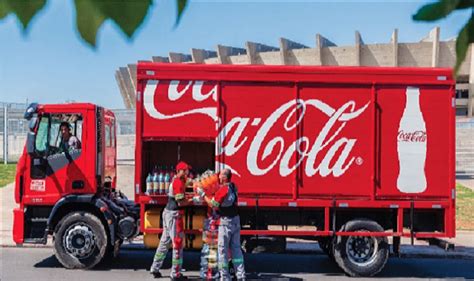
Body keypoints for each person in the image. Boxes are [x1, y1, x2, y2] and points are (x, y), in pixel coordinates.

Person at [198, 169, 246, 281]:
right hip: (235, 220)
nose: (218, 178)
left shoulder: (223, 190)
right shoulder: (234, 187)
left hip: (226, 223)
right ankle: (241, 276)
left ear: (225, 177)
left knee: (222, 250)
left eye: (220, 176)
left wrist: (203, 194)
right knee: (236, 249)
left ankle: (224, 277)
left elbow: (213, 205)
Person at [150, 161, 191, 280]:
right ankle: (175, 273)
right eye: (185, 170)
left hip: (168, 213)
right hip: (174, 215)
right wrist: (194, 200)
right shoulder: (178, 183)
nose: (187, 172)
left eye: (187, 170)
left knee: (164, 242)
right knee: (177, 243)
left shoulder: (179, 180)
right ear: (179, 171)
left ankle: (154, 268)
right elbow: (180, 202)